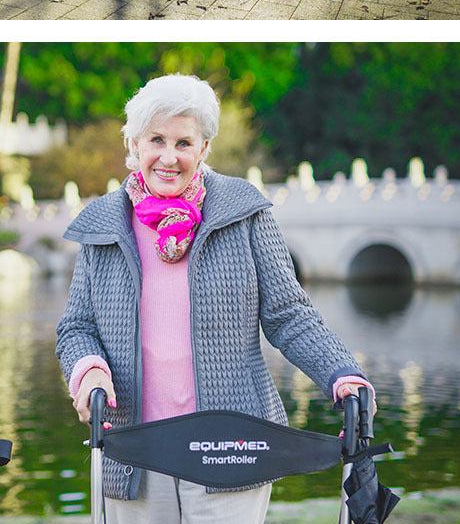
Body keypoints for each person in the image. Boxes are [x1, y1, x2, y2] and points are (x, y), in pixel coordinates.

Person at [55, 73, 374, 524]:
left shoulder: (242, 210)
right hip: (133, 443)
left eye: (184, 143)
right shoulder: (105, 223)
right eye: (156, 140)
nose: (169, 157)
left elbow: (289, 316)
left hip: (230, 444)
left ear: (204, 148)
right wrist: (88, 372)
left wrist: (342, 374)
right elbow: (77, 328)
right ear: (134, 145)